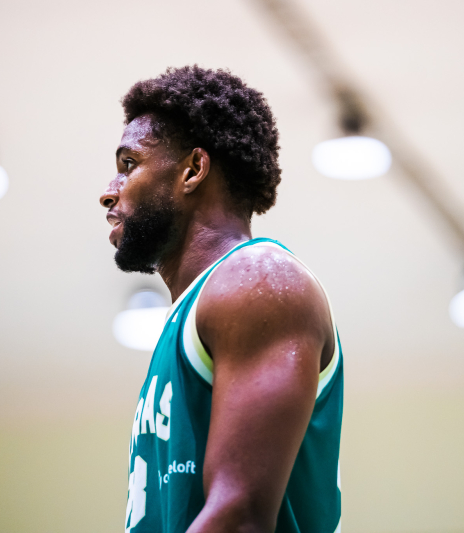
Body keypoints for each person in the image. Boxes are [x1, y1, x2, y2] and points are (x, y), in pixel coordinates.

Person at [99, 65, 343, 533]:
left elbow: (239, 517)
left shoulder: (257, 282)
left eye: (128, 164)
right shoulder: (193, 314)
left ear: (193, 170)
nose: (108, 193)